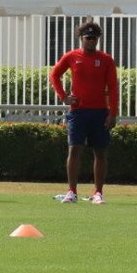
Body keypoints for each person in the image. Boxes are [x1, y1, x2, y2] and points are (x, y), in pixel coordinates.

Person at [49, 21, 119, 204]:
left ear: (98, 39)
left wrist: (113, 113)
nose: (90, 41)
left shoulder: (106, 59)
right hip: (78, 112)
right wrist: (64, 97)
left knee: (100, 152)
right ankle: (72, 192)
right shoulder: (72, 56)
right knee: (74, 150)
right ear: (81, 38)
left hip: (100, 113)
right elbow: (54, 75)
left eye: (94, 38)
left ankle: (98, 193)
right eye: (87, 38)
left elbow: (113, 87)